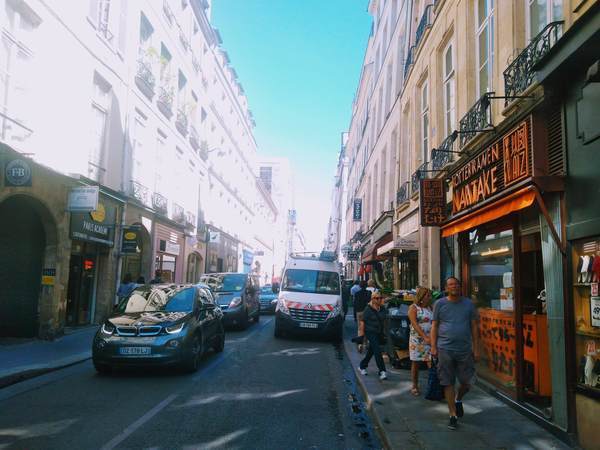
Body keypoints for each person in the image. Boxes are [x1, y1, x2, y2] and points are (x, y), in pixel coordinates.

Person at [431, 277, 479, 430]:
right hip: (444, 348)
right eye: (451, 284)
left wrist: (476, 348)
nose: (454, 286)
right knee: (448, 382)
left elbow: (474, 327)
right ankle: (452, 414)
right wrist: (433, 346)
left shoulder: (468, 304)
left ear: (460, 287)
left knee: (467, 382)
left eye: (456, 284)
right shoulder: (439, 304)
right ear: (446, 287)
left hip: (464, 349)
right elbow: (434, 326)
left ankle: (458, 399)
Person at [408, 286, 434, 396]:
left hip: (430, 339)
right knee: (416, 362)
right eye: (428, 296)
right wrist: (424, 336)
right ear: (422, 297)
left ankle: (433, 385)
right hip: (417, 340)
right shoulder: (413, 308)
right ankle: (414, 385)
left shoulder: (430, 308)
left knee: (431, 362)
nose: (430, 298)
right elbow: (414, 324)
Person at [359, 291, 388, 380]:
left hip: (379, 333)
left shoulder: (383, 309)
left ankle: (362, 366)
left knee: (372, 350)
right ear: (372, 299)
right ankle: (382, 371)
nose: (379, 300)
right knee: (377, 351)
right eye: (377, 298)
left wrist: (384, 333)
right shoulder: (368, 309)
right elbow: (362, 323)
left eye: (380, 298)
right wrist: (362, 338)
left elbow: (384, 321)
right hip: (370, 332)